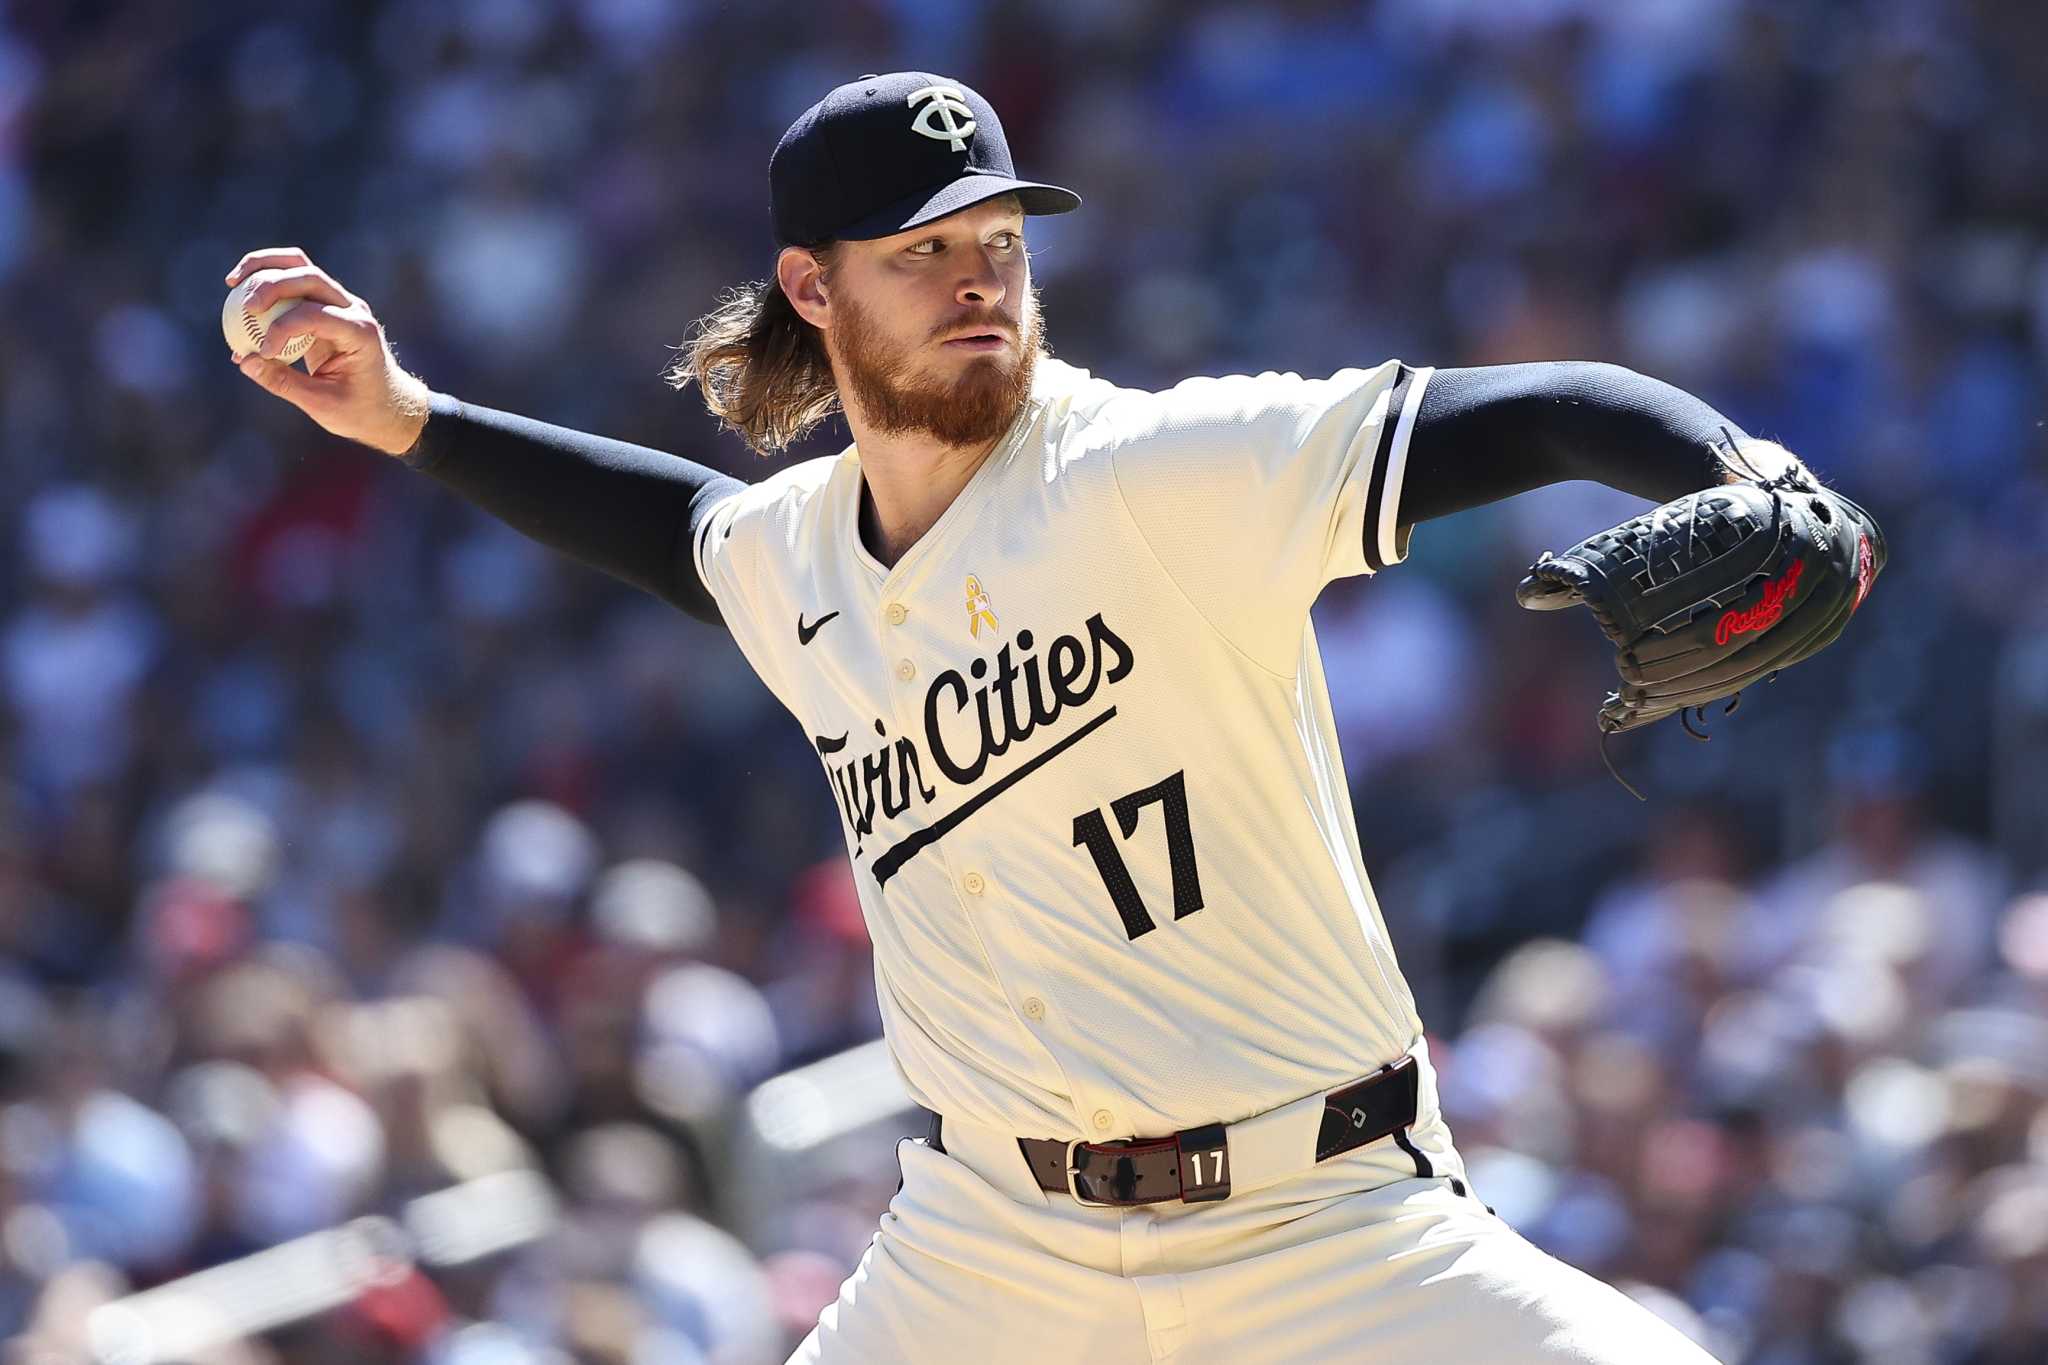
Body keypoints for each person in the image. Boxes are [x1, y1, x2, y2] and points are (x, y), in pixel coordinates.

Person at [226, 69, 1833, 1364]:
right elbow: (669, 529)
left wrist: (1734, 470)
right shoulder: (797, 558)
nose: (977, 277)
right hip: (996, 1246)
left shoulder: (1159, 473)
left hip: (1328, 1225)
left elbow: (1541, 408)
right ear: (812, 285)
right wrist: (409, 420)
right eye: (921, 250)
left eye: (997, 238)